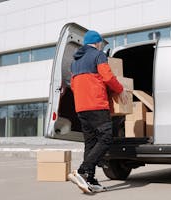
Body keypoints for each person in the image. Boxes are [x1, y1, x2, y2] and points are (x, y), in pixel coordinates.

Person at [68, 30, 128, 194]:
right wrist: (120, 90)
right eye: (100, 42)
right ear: (97, 42)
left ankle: (90, 179)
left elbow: (73, 85)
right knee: (106, 138)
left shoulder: (74, 62)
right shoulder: (98, 55)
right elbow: (108, 77)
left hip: (81, 107)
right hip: (97, 105)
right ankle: (82, 171)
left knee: (91, 142)